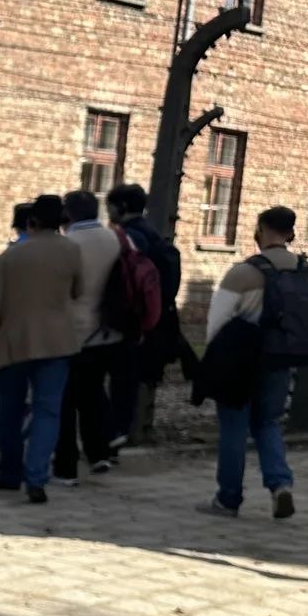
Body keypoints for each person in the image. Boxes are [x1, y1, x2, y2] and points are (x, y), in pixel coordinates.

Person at [197, 206, 308, 519]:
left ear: (259, 229)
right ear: (291, 232)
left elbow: (216, 322)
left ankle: (228, 498)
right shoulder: (305, 271)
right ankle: (280, 484)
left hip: (240, 361)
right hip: (281, 357)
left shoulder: (243, 272)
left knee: (234, 426)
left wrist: (214, 359)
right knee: (268, 422)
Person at [0, 194, 84, 503]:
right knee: (48, 411)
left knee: (9, 411)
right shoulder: (72, 251)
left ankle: (10, 473)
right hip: (57, 341)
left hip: (13, 340)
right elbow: (78, 292)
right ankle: (37, 476)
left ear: (32, 221)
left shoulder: (9, 257)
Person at [51, 191, 129, 485]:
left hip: (71, 331)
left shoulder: (68, 244)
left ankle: (65, 466)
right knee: (93, 394)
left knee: (65, 401)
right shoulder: (115, 239)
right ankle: (99, 454)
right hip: (106, 331)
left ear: (68, 214)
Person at [107, 183, 192, 447]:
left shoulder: (129, 238)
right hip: (160, 315)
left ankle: (125, 430)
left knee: (129, 375)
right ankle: (141, 427)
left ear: (121, 207)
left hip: (136, 317)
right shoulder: (154, 235)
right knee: (147, 376)